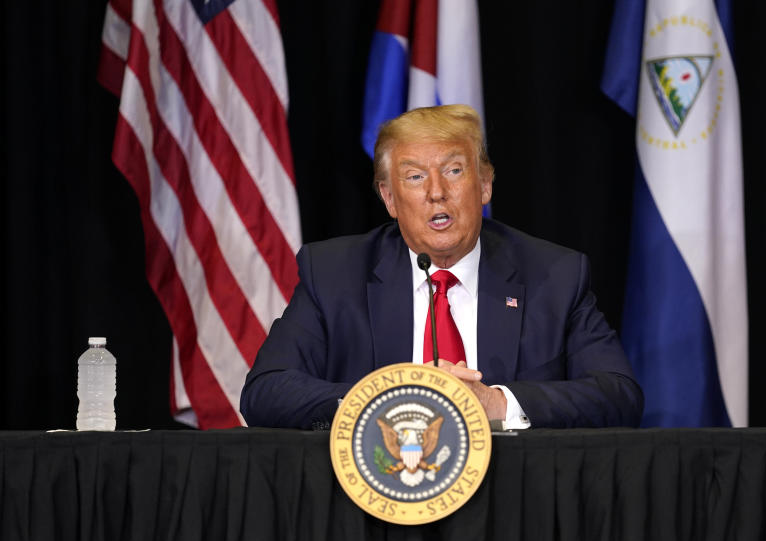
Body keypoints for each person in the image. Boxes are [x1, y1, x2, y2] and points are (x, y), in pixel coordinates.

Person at [240, 105, 643, 429]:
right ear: (390, 198)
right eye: (415, 177)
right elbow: (265, 392)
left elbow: (618, 394)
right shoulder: (333, 274)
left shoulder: (553, 275)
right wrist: (389, 397)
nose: (437, 193)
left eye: (453, 171)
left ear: (484, 184)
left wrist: (497, 402)